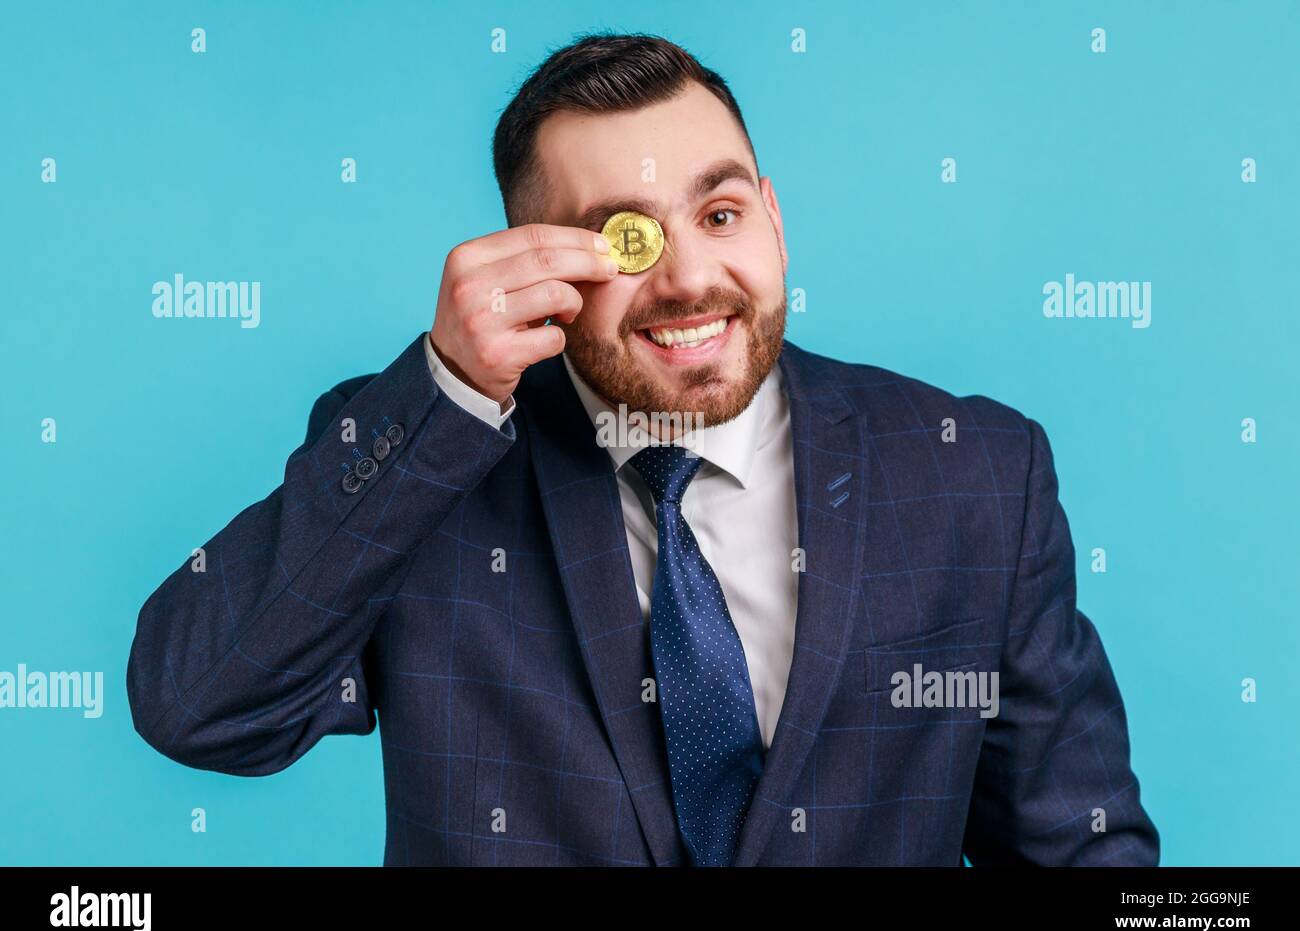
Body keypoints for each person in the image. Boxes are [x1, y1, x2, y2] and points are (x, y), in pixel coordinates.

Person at [127, 32, 1159, 866]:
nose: (687, 279)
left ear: (775, 220)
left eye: (719, 212)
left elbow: (1078, 849)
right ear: (540, 266)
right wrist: (442, 391)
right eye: (627, 237)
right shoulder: (424, 464)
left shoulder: (971, 471)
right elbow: (199, 708)